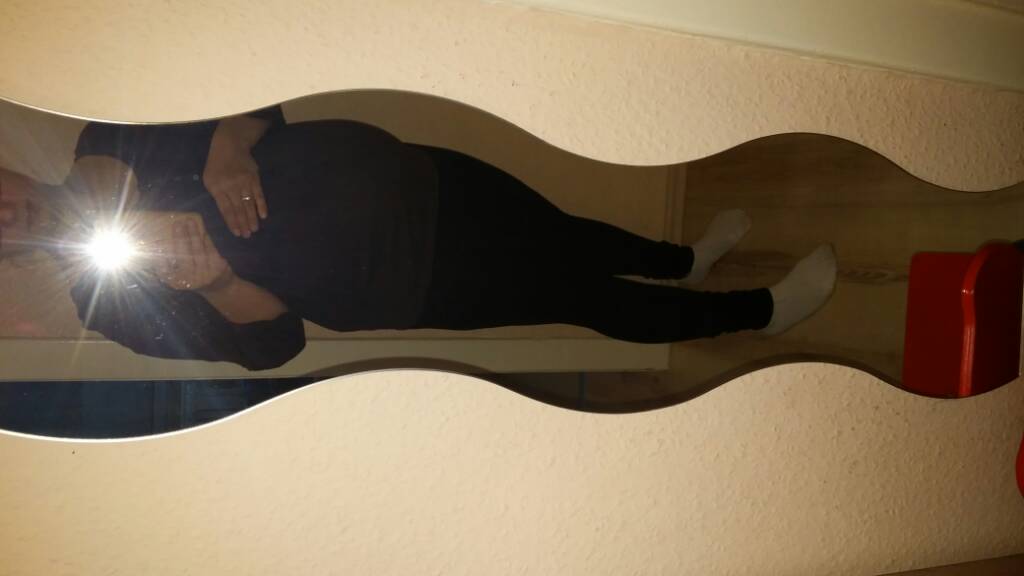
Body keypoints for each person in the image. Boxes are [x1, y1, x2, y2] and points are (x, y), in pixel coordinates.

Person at [0, 106, 837, 370]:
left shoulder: (108, 125)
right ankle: (759, 313)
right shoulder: (106, 304)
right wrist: (214, 280)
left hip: (420, 177)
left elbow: (258, 104)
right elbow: (274, 346)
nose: (2, 217)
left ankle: (685, 262)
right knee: (581, 294)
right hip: (414, 275)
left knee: (566, 233)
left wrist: (227, 140)